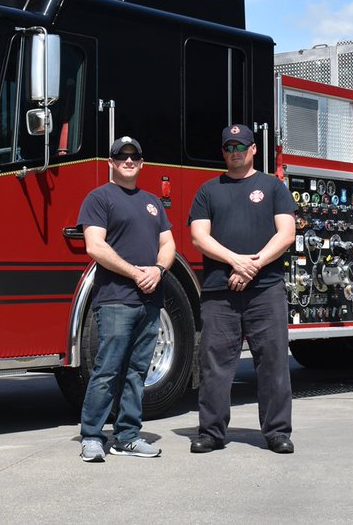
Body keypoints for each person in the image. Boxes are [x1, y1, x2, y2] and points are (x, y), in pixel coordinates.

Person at [188, 124, 297, 454]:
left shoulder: (273, 187)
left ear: (253, 150)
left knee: (274, 361)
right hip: (220, 292)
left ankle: (277, 431)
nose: (235, 152)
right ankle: (211, 431)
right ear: (223, 153)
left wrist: (253, 265)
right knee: (215, 363)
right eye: (229, 147)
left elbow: (287, 233)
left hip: (266, 290)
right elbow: (198, 237)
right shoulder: (208, 191)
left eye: (241, 146)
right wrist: (237, 261)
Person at [75, 136, 175, 462]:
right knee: (108, 369)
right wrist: (135, 273)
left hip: (150, 299)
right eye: (121, 156)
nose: (128, 161)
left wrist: (158, 270)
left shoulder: (152, 202)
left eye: (134, 157)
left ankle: (127, 436)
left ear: (142, 163)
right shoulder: (99, 198)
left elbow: (169, 244)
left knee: (138, 371)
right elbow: (95, 246)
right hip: (116, 298)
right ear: (111, 163)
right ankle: (92, 436)